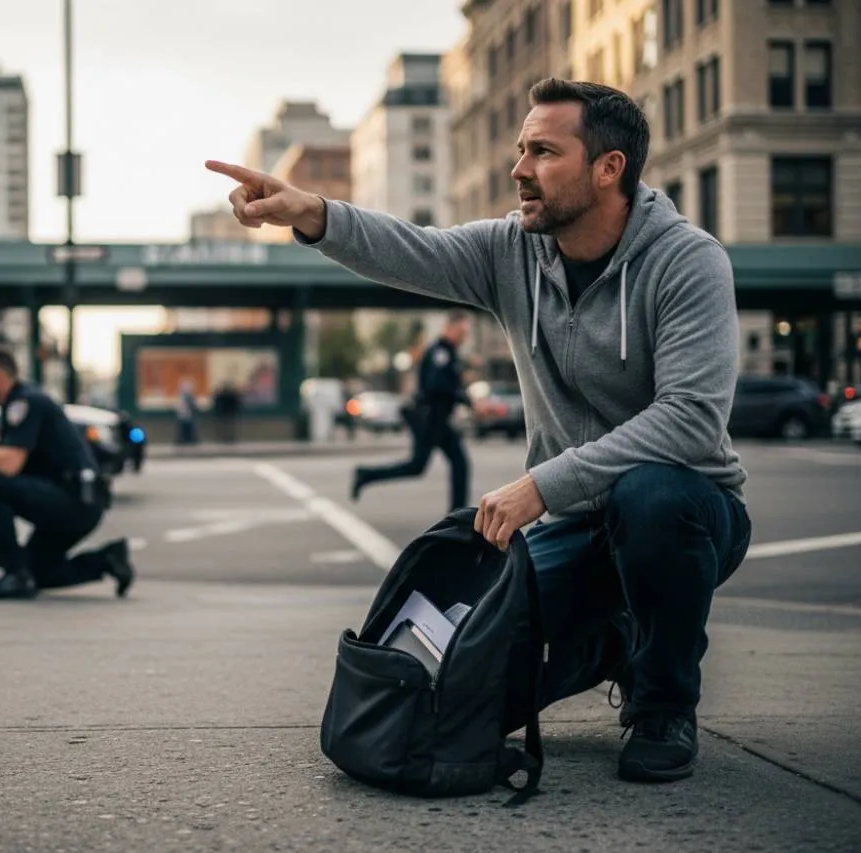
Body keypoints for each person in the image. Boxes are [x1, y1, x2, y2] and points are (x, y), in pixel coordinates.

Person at [206, 78, 752, 784]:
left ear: (608, 167)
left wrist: (541, 486)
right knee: (452, 692)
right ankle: (611, 643)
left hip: (686, 514)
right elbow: (412, 249)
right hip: (575, 527)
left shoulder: (687, 260)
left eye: (543, 152)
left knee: (649, 496)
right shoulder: (512, 250)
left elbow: (690, 418)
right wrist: (312, 213)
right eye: (521, 149)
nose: (519, 168)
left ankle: (663, 704)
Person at [0, 347, 135, 600]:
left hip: (73, 500)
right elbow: (10, 454)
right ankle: (108, 560)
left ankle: (13, 576)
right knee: (37, 573)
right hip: (79, 499)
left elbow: (9, 465)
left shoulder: (24, 403)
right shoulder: (20, 401)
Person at [351, 310, 473, 513]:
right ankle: (365, 474)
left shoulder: (446, 351)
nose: (463, 337)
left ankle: (457, 513)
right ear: (449, 328)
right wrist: (464, 398)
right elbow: (437, 385)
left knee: (458, 464)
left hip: (438, 420)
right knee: (418, 466)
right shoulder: (440, 352)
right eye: (461, 332)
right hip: (430, 419)